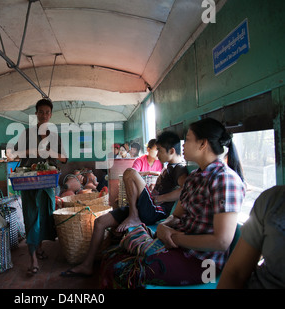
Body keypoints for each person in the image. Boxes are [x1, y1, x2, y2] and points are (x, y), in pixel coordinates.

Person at [100, 117, 246, 288]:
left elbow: (221, 242)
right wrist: (165, 226)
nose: (182, 145)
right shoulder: (195, 178)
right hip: (181, 247)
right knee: (113, 257)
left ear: (203, 144)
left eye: (188, 139)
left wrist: (174, 237)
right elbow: (176, 215)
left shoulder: (225, 180)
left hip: (203, 263)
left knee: (121, 270)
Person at [61, 131, 188, 277]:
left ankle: (133, 215)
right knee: (100, 222)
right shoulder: (168, 166)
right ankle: (87, 265)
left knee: (129, 172)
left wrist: (162, 198)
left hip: (155, 211)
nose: (157, 154)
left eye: (159, 150)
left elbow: (185, 190)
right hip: (147, 207)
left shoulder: (179, 168)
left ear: (172, 151)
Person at [14, 99, 67, 275]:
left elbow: (64, 159)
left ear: (51, 115)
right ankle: (33, 260)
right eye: (41, 112)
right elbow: (13, 153)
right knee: (31, 219)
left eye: (47, 112)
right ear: (36, 113)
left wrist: (50, 153)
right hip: (29, 183)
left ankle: (39, 248)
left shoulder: (54, 136)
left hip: (47, 183)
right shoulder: (27, 134)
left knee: (44, 218)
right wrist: (32, 152)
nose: (44, 115)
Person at [217, 185, 285, 289]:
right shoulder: (273, 199)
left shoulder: (224, 179)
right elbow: (236, 273)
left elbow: (221, 242)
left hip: (206, 261)